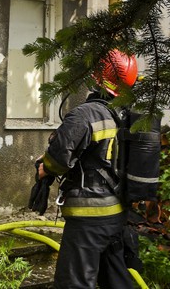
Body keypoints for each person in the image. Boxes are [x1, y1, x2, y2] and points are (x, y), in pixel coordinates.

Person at [36, 50, 139, 289]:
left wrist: (45, 169)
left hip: (89, 217)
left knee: (74, 283)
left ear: (97, 78)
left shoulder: (85, 114)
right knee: (115, 280)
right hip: (117, 215)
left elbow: (58, 160)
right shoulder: (127, 116)